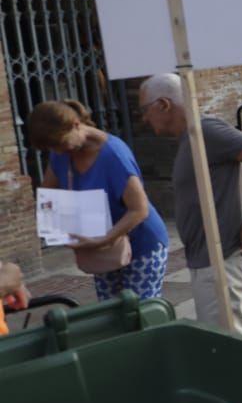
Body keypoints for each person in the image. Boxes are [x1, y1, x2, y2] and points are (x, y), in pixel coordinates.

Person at [139, 74, 242, 330]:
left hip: (222, 259)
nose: (143, 118)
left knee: (225, 350)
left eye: (144, 109)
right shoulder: (192, 136)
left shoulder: (206, 130)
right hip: (208, 260)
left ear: (163, 104)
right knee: (222, 345)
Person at [28, 100, 169, 299]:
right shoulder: (60, 153)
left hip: (142, 244)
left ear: (76, 125)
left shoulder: (113, 155)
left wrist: (103, 240)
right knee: (110, 312)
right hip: (100, 246)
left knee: (140, 312)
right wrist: (59, 231)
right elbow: (49, 194)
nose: (59, 151)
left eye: (61, 144)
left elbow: (139, 209)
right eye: (52, 147)